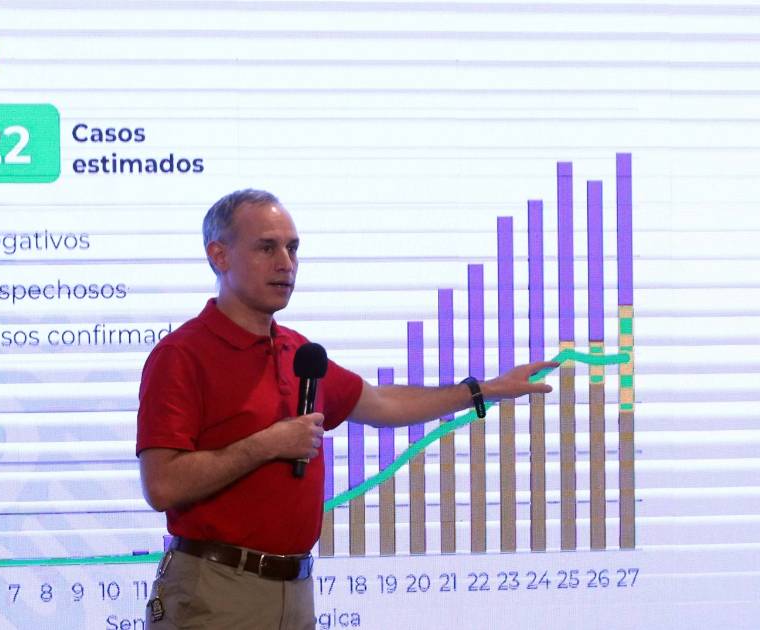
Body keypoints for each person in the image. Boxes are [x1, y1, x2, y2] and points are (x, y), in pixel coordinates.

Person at [135, 189, 556, 629]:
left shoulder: (298, 352)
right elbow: (162, 486)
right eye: (267, 248)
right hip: (215, 590)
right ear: (219, 255)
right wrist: (266, 445)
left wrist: (482, 390)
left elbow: (381, 403)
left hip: (295, 589)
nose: (286, 263)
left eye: (293, 248)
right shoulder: (183, 355)